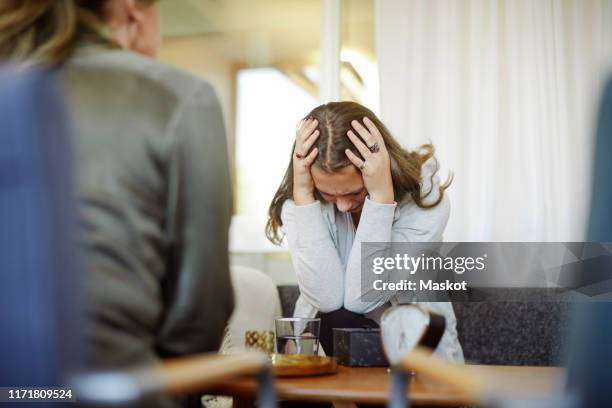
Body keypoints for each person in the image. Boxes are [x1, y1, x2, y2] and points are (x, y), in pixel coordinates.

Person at [0, 0, 234, 403]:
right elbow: (196, 327)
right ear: (132, 11)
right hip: (113, 390)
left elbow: (368, 296)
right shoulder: (177, 97)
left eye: (349, 193)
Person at [266, 101, 463, 362]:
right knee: (336, 317)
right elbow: (326, 300)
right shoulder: (301, 203)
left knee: (345, 314)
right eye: (328, 193)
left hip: (416, 357)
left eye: (354, 192)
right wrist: (303, 196)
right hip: (329, 354)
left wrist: (381, 198)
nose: (344, 205)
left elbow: (364, 298)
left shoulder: (425, 201)